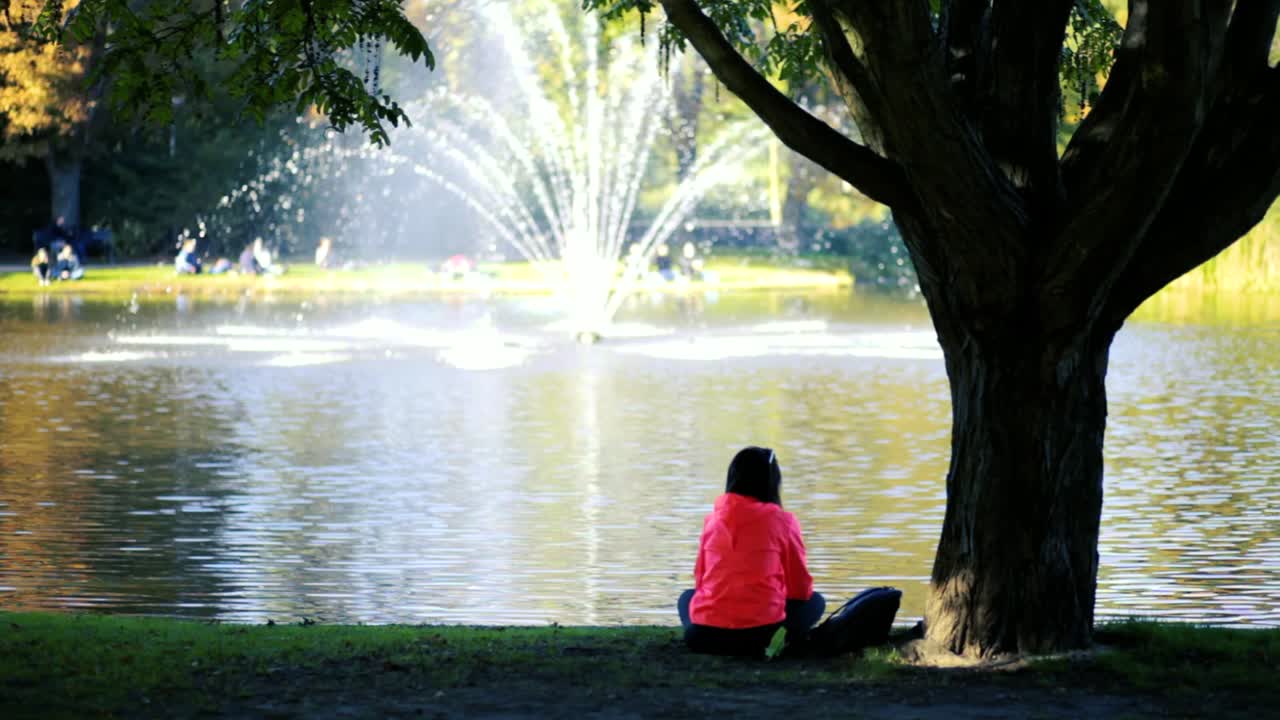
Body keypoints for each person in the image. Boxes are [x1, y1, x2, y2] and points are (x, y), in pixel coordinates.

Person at [677, 447, 825, 656]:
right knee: (816, 601)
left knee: (687, 597)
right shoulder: (784, 521)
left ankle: (713, 631)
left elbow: (701, 582)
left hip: (703, 638)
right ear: (772, 482)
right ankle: (780, 642)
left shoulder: (712, 521)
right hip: (760, 637)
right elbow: (799, 591)